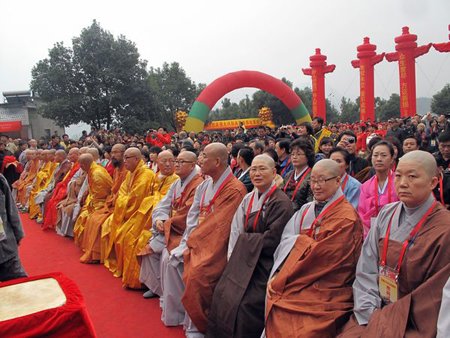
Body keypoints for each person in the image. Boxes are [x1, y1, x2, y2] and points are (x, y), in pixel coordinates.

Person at [340, 151, 450, 338]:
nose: (403, 183)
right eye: (398, 176)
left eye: (412, 176)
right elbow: (366, 268)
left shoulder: (444, 228)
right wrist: (369, 310)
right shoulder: (387, 213)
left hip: (412, 319)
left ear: (433, 182)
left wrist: (389, 318)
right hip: (374, 306)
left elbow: (432, 296)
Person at [264, 160, 363, 338]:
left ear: (338, 181)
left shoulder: (346, 218)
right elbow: (287, 242)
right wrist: (279, 272)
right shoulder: (305, 209)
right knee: (275, 297)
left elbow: (327, 260)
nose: (316, 186)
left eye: (322, 181)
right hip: (298, 276)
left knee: (300, 323)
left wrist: (301, 243)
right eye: (313, 181)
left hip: (328, 286)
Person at [206, 155, 294, 338]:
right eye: (253, 169)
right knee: (222, 293)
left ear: (274, 172)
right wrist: (233, 257)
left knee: (245, 305)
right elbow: (236, 230)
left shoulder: (281, 202)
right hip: (244, 258)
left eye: (262, 169)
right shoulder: (249, 198)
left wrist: (244, 242)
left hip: (265, 263)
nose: (256, 173)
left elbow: (273, 240)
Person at [167, 143, 247, 337]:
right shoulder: (205, 184)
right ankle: (179, 313)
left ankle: (200, 324)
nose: (200, 161)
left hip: (218, 247)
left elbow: (220, 229)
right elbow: (193, 217)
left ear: (217, 161)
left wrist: (193, 243)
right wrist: (188, 241)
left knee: (197, 273)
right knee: (170, 259)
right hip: (199, 240)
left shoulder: (234, 189)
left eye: (203, 157)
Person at [138, 151, 203, 326]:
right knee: (149, 250)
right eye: (177, 161)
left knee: (169, 257)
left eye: (182, 161)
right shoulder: (177, 183)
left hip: (183, 232)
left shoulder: (198, 184)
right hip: (170, 228)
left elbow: (189, 214)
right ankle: (160, 290)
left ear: (192, 165)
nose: (177, 164)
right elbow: (163, 204)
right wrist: (159, 219)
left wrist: (166, 223)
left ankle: (176, 310)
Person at [120, 150, 178, 289]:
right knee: (128, 236)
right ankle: (147, 282)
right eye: (164, 161)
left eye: (171, 160)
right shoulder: (156, 176)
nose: (168, 164)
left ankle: (149, 284)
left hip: (165, 223)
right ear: (157, 162)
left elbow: (168, 204)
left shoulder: (176, 180)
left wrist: (150, 201)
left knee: (141, 241)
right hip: (148, 218)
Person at [103, 147, 155, 276]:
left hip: (139, 214)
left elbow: (136, 199)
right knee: (107, 225)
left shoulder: (146, 174)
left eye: (127, 158)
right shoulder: (130, 173)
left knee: (125, 236)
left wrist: (122, 201)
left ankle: (131, 274)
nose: (124, 161)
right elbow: (121, 192)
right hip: (126, 212)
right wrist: (122, 201)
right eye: (124, 157)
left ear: (136, 159)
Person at [79, 144, 128, 264]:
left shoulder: (127, 171)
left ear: (124, 154)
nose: (112, 155)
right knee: (94, 218)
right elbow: (114, 190)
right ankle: (95, 253)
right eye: (112, 152)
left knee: (99, 221)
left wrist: (112, 202)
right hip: (112, 202)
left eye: (116, 152)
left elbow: (129, 195)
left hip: (123, 207)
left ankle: (98, 254)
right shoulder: (117, 169)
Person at [358, 141, 399, 237]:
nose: (379, 159)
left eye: (384, 155)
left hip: (396, 232)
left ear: (392, 159)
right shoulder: (365, 186)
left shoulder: (400, 182)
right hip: (371, 233)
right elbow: (361, 214)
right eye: (375, 155)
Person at [73, 154, 113, 249]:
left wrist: (88, 205)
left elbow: (100, 196)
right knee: (83, 212)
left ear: (83, 165)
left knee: (86, 216)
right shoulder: (92, 170)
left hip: (103, 203)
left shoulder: (96, 174)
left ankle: (93, 249)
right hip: (96, 200)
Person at [42, 148, 80, 230]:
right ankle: (44, 219)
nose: (68, 156)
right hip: (60, 186)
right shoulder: (71, 165)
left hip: (70, 190)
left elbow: (73, 181)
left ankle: (52, 223)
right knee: (47, 198)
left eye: (70, 154)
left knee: (51, 200)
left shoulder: (71, 165)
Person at [0, 173, 27, 282]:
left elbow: (10, 207)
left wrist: (18, 233)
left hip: (5, 247)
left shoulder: (0, 180)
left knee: (18, 285)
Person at [34, 150, 71, 224]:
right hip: (53, 185)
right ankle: (42, 216)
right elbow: (54, 177)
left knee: (45, 197)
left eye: (56, 155)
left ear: (61, 156)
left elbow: (62, 180)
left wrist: (53, 188)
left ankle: (45, 218)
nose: (54, 157)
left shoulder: (67, 165)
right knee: (39, 194)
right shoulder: (59, 164)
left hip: (60, 188)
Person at [280, 138, 314, 212]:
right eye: (292, 154)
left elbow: (310, 201)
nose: (294, 157)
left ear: (308, 156)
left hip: (301, 213)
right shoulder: (288, 175)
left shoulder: (312, 176)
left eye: (298, 154)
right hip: (284, 211)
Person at [28, 150, 58, 220]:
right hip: (43, 183)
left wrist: (40, 174)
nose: (47, 156)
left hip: (47, 184)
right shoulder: (45, 163)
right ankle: (34, 212)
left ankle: (40, 214)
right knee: (30, 189)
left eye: (48, 155)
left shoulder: (55, 164)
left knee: (37, 193)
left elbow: (49, 177)